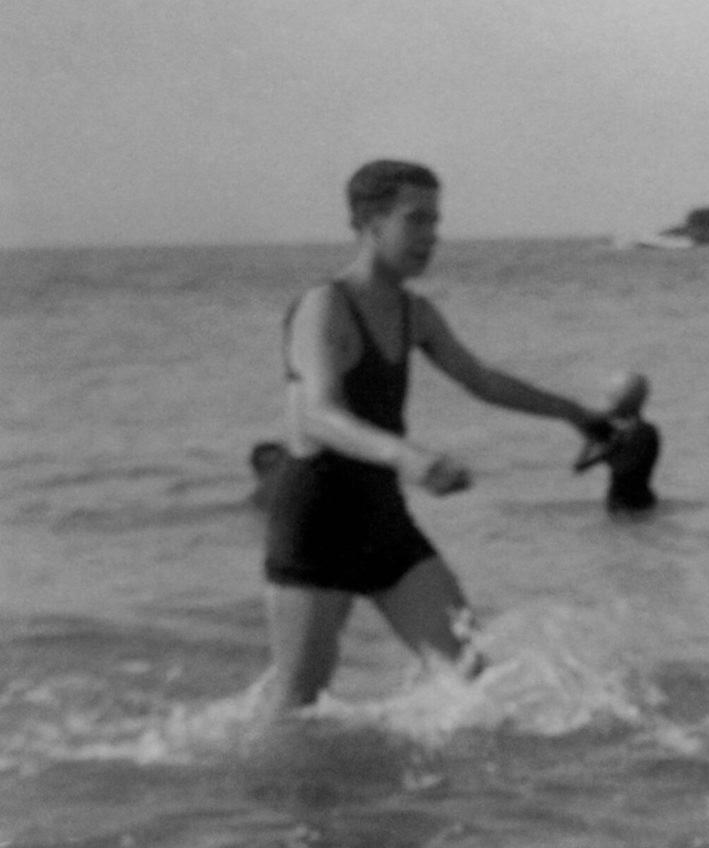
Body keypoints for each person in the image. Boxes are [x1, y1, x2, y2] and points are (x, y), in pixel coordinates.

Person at [257, 158, 614, 718]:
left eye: (436, 221)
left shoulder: (414, 313)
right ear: (371, 223)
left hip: (382, 516)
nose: (432, 237)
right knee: (297, 706)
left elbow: (482, 380)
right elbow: (318, 415)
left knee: (471, 676)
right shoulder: (324, 306)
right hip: (316, 519)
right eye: (416, 220)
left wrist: (572, 413)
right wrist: (408, 457)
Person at [573, 370, 661, 512]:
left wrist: (595, 440)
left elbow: (581, 466)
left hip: (622, 505)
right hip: (643, 502)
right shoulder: (649, 431)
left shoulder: (628, 434)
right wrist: (597, 435)